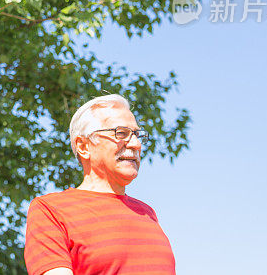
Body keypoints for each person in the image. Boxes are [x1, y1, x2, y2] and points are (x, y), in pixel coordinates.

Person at [24, 94, 175, 275]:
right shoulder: (50, 210)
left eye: (137, 135)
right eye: (121, 133)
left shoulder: (147, 213)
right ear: (84, 146)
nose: (136, 144)